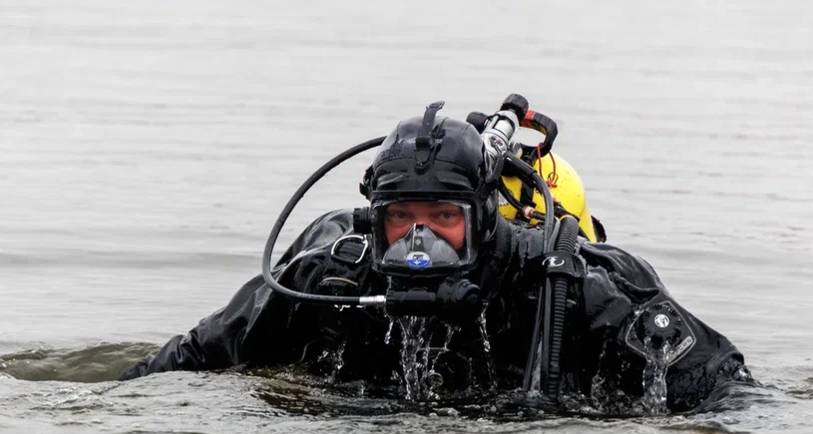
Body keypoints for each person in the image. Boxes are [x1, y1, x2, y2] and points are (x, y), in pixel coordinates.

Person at [121, 100, 753, 413]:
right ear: (377, 217)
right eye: (402, 220)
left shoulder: (574, 287)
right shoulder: (329, 276)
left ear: (483, 217)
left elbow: (726, 390)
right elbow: (194, 358)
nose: (420, 241)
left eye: (445, 219)